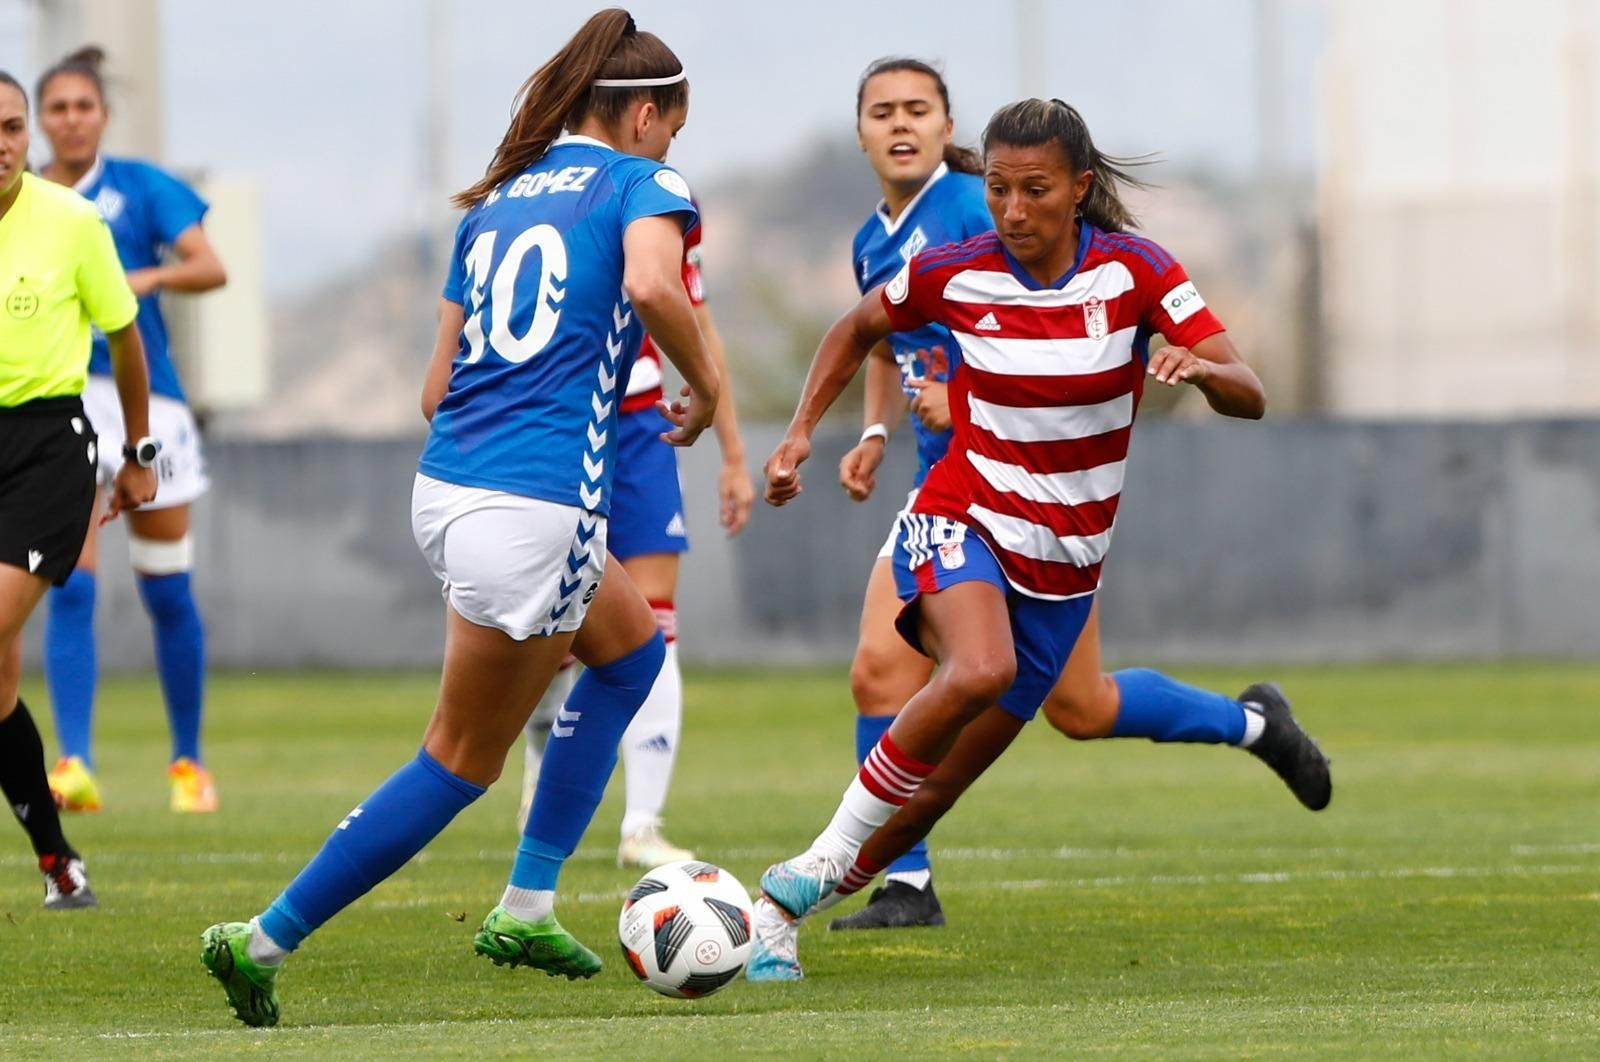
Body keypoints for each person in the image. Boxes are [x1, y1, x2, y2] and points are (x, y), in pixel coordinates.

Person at [200, 9, 718, 1028]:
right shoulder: (642, 184)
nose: (672, 147)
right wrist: (695, 384)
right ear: (650, 117)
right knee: (457, 758)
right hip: (537, 506)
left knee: (630, 654)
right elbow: (657, 285)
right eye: (674, 128)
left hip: (448, 490)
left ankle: (528, 901)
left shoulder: (494, 205)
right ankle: (261, 940)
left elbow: (435, 387)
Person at [747, 98, 1330, 980]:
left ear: (1080, 188)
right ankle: (800, 876)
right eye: (999, 191)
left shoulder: (1137, 272)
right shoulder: (955, 270)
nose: (1014, 211)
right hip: (961, 516)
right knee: (979, 669)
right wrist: (800, 433)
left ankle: (778, 913)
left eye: (1036, 191)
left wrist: (1201, 369)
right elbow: (858, 326)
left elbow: (1249, 388)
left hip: (1062, 571)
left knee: (930, 800)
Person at [516, 201, 754, 870]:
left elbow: (696, 322)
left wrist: (734, 455)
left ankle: (642, 825)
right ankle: (541, 758)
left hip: (640, 423)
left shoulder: (667, 198)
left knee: (654, 623)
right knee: (548, 631)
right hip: (553, 426)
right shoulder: (536, 193)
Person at [34, 46, 228, 814]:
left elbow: (209, 266)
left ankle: (188, 763)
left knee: (165, 587)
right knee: (71, 580)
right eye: (58, 108)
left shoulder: (141, 188)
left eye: (84, 106)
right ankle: (74, 762)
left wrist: (141, 279)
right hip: (60, 396)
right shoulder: (25, 197)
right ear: (40, 122)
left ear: (103, 117)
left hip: (151, 402)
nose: (72, 119)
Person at [827, 56, 993, 930]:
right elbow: (887, 346)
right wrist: (876, 431)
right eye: (883, 110)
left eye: (918, 110)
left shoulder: (973, 212)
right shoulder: (871, 240)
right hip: (941, 486)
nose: (900, 124)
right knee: (879, 668)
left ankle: (1249, 724)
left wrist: (963, 398)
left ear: (946, 126)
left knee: (1086, 706)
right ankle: (905, 879)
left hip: (1016, 482)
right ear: (859, 131)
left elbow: (1028, 327)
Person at [0, 69, 156, 907]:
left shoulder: (72, 221)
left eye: (12, 127)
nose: (3, 143)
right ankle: (59, 860)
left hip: (47, 449)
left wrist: (137, 450)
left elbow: (125, 337)